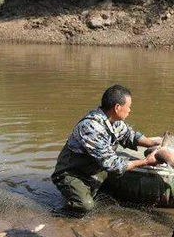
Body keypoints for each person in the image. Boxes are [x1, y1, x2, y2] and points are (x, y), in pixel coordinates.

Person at [52, 84, 161, 215]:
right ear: (117, 107)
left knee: (110, 189)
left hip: (94, 168)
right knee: (85, 206)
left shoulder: (113, 120)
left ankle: (90, 189)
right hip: (72, 173)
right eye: (129, 106)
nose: (130, 110)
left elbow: (128, 135)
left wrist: (152, 143)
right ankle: (59, 215)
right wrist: (146, 162)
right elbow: (114, 165)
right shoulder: (92, 128)